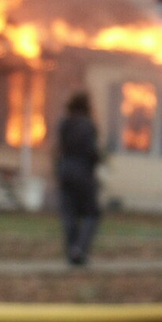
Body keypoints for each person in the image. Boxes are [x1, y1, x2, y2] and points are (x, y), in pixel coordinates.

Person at [54, 90, 103, 266]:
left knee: (69, 214)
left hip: (65, 170)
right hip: (82, 172)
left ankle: (71, 251)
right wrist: (99, 160)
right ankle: (80, 249)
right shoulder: (88, 125)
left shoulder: (64, 123)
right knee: (91, 214)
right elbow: (92, 151)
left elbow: (58, 149)